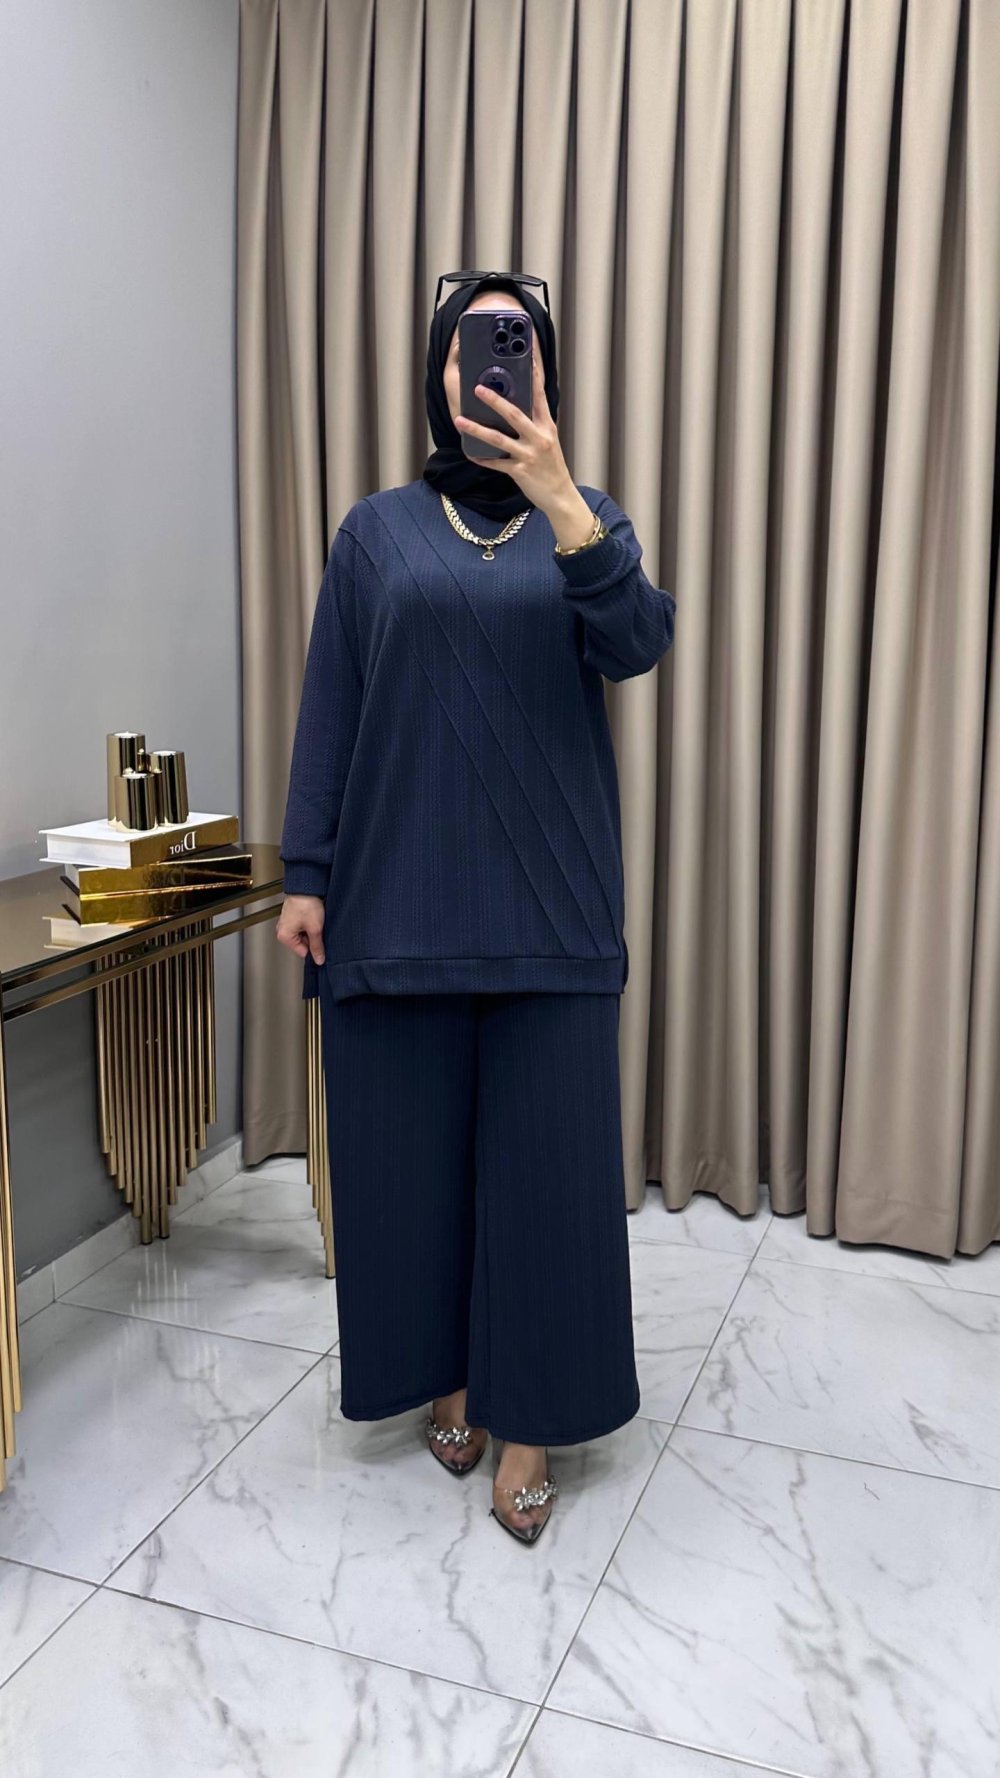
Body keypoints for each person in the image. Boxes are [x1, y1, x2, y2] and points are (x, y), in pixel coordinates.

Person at [276, 271, 676, 1543]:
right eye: (470, 348)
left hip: (553, 915)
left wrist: (563, 499)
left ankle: (533, 1419)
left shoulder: (586, 519)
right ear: (440, 375)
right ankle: (442, 1373)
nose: (491, 369)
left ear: (543, 375)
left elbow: (638, 642)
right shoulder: (375, 533)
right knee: (410, 1167)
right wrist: (306, 871)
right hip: (396, 900)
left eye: (515, 348)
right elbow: (333, 701)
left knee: (548, 1181)